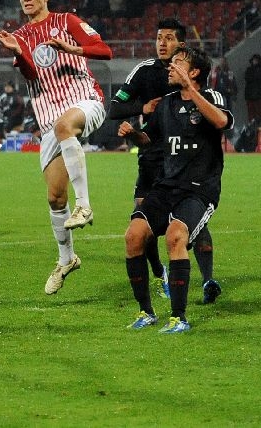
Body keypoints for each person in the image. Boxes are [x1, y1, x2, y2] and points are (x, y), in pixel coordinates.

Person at [0, 0, 113, 295]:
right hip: (49, 120)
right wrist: (18, 53)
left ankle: (85, 204)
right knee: (55, 196)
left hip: (85, 100)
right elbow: (32, 74)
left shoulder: (67, 22)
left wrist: (72, 49)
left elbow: (104, 50)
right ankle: (67, 259)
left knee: (64, 127)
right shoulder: (19, 36)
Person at [119, 47, 232, 333]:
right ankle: (146, 312)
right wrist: (133, 134)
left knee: (175, 236)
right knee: (134, 236)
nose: (171, 65)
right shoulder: (166, 104)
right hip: (166, 185)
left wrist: (191, 92)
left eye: (179, 63)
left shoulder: (210, 97)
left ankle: (179, 317)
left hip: (199, 190)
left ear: (194, 72)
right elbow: (149, 139)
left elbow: (221, 122)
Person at [109, 18, 219, 302]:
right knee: (141, 221)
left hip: (187, 164)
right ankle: (159, 273)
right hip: (152, 158)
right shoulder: (144, 72)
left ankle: (207, 280)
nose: (162, 43)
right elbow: (115, 108)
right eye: (159, 37)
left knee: (189, 224)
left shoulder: (196, 81)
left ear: (181, 45)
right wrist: (141, 109)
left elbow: (218, 119)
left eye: (169, 38)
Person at [245, 53, 261, 123]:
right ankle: (252, 130)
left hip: (258, 96)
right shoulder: (249, 69)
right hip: (250, 96)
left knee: (258, 114)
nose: (255, 61)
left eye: (256, 60)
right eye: (254, 60)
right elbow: (247, 78)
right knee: (251, 116)